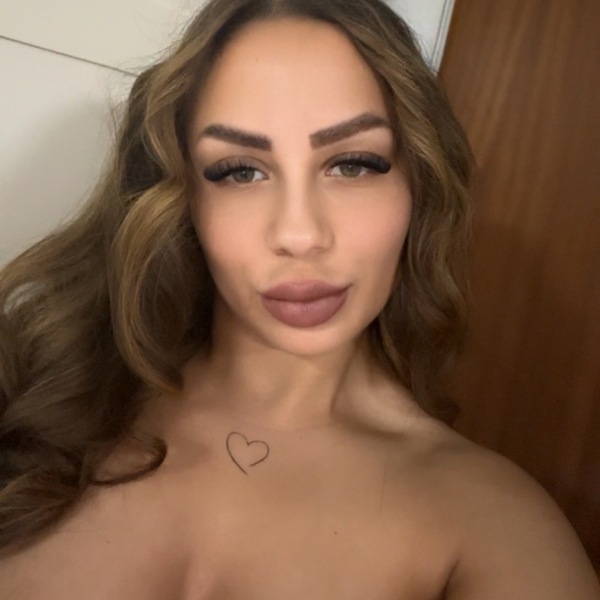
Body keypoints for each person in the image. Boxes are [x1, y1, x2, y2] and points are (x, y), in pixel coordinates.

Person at [0, 0, 598, 597]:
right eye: (240, 171)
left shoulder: (491, 520)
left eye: (353, 164)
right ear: (181, 198)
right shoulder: (33, 388)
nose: (300, 234)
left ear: (419, 184)